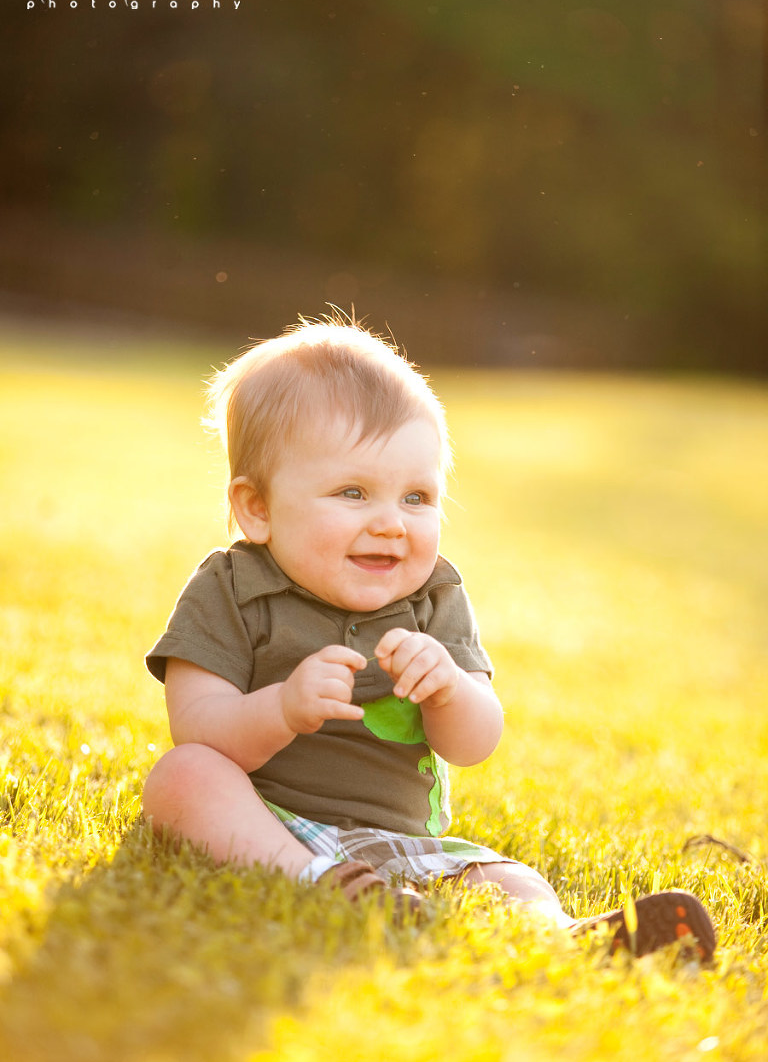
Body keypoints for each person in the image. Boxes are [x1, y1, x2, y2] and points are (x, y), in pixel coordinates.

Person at [143, 317, 715, 961]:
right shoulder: (231, 588)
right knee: (183, 778)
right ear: (258, 508)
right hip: (267, 820)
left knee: (513, 881)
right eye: (353, 492)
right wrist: (279, 708)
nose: (391, 523)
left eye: (417, 497)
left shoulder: (432, 598)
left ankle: (571, 940)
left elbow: (476, 742)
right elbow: (197, 726)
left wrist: (447, 690)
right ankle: (317, 882)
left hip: (401, 841)